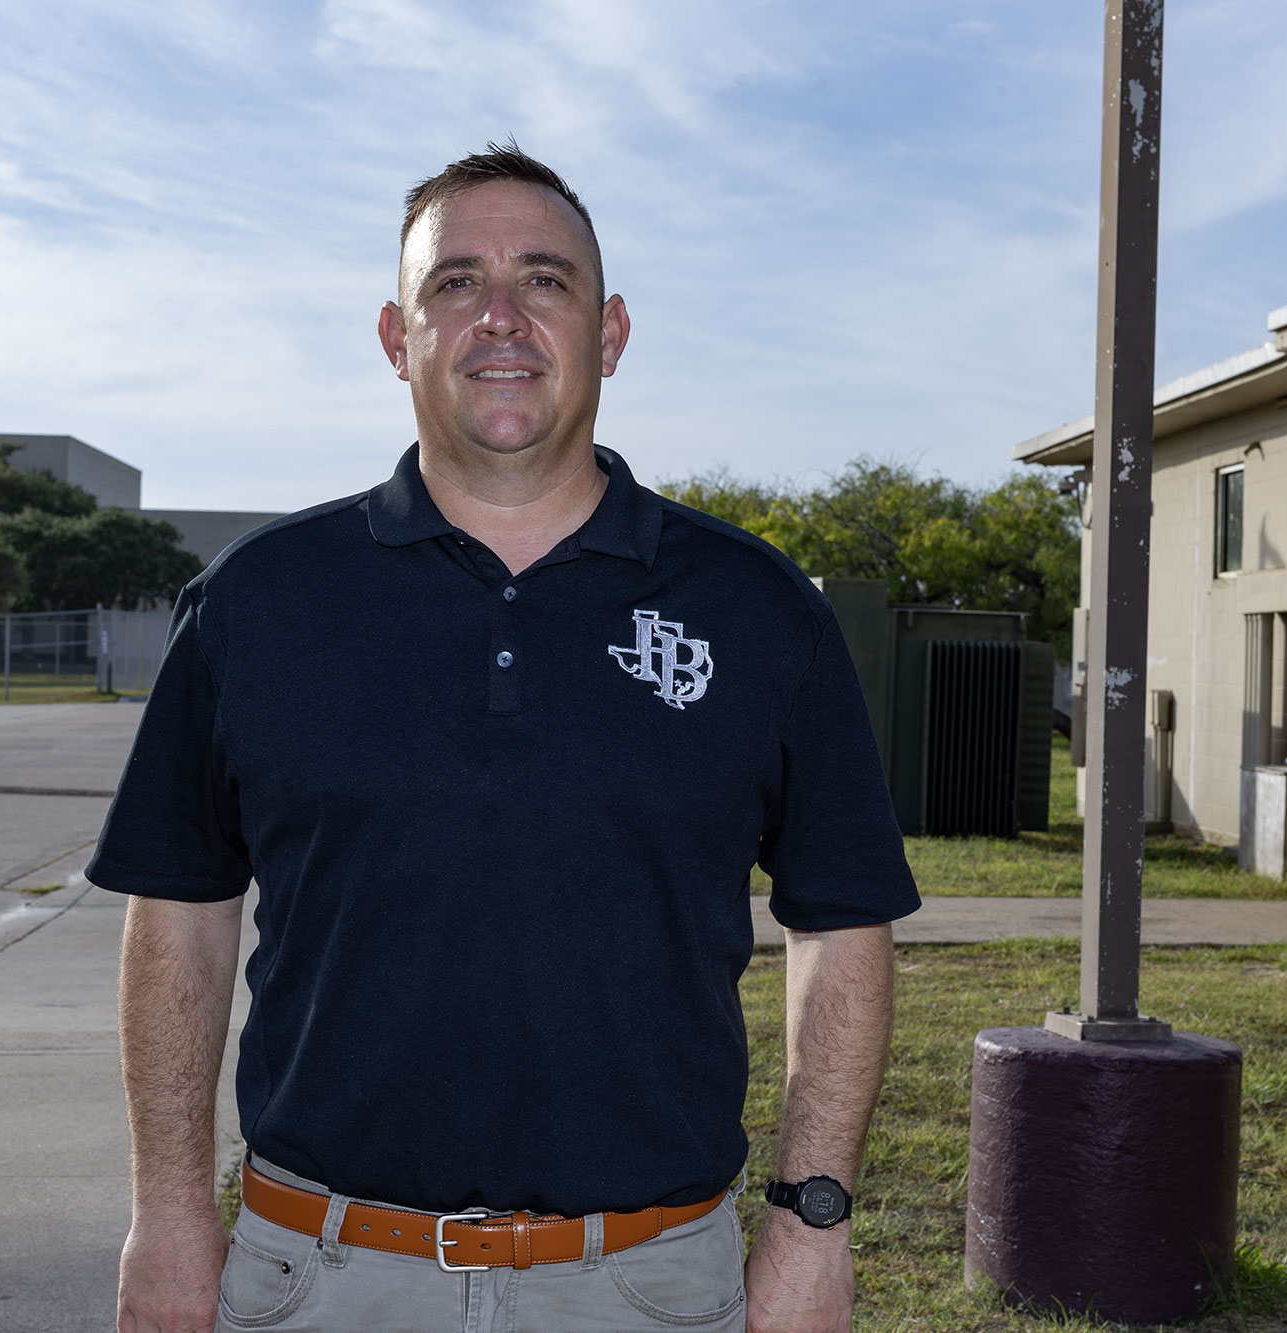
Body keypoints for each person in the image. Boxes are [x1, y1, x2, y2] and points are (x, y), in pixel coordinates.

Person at [94, 142, 918, 1333]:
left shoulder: (755, 609)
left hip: (651, 1283)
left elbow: (840, 926)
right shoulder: (257, 604)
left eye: (544, 279)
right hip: (320, 1276)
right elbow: (179, 915)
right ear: (397, 337)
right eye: (454, 283)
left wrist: (810, 1223)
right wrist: (168, 1217)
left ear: (611, 331)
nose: (499, 317)